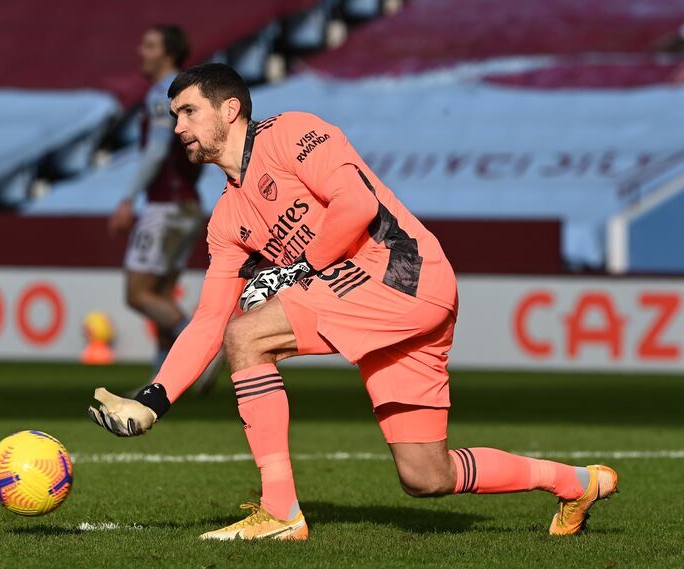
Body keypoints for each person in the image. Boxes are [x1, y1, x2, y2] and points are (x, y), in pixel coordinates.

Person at [89, 63, 619, 540]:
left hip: (402, 276)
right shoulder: (228, 220)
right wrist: (154, 399)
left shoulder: (291, 134)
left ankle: (280, 512)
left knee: (247, 336)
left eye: (188, 111)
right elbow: (206, 318)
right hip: (381, 305)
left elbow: (357, 204)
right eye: (174, 114)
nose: (177, 126)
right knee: (425, 475)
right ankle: (575, 483)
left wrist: (298, 268)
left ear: (231, 110)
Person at [108, 25, 219, 393]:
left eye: (150, 45)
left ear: (168, 53)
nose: (142, 51)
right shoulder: (189, 92)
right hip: (186, 204)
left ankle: (205, 351)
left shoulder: (163, 94)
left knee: (138, 293)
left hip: (165, 205)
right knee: (160, 295)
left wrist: (127, 199)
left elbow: (157, 151)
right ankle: (165, 379)